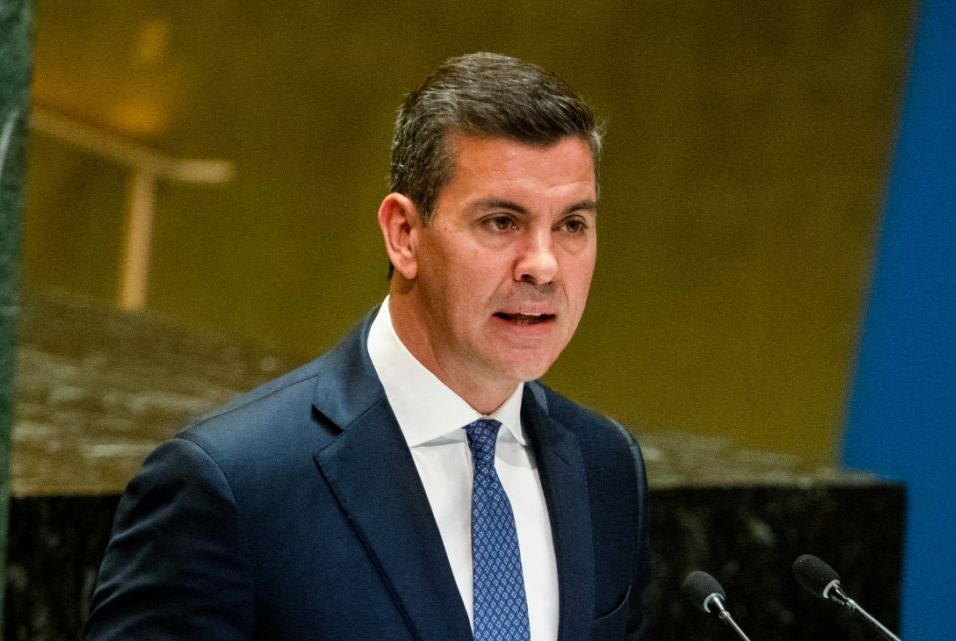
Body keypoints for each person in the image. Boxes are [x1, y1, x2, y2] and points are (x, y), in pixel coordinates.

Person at [84, 51, 650, 641]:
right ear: (403, 234)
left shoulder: (604, 465)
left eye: (572, 225)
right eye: (501, 222)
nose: (543, 265)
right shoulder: (232, 483)